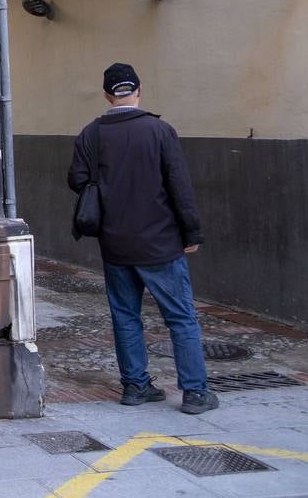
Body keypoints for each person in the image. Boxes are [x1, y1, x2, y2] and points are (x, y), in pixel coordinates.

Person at [67, 62, 219, 415]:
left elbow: (76, 180)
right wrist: (191, 231)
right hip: (161, 243)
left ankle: (135, 386)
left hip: (115, 243)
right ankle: (195, 393)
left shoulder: (91, 134)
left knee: (125, 316)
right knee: (180, 317)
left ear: (107, 95)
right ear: (138, 90)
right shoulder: (160, 130)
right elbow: (179, 186)